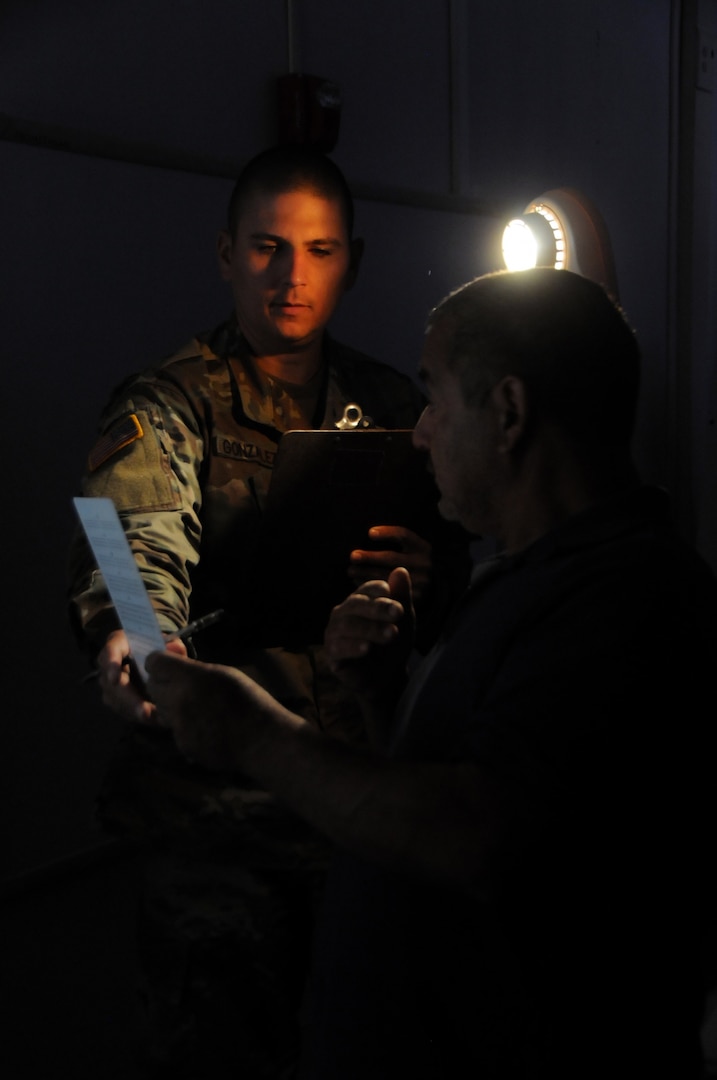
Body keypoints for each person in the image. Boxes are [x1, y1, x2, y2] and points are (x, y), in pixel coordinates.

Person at [145, 267, 717, 1080]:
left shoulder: (628, 596)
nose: (418, 434)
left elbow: (477, 835)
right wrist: (384, 701)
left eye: (437, 400)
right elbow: (488, 796)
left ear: (509, 413)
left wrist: (252, 734)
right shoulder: (526, 579)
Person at [68, 146, 468, 1078]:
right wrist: (134, 632)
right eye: (266, 248)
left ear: (352, 261)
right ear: (225, 254)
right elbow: (129, 542)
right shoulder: (172, 401)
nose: (292, 277)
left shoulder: (399, 407)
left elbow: (459, 553)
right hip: (218, 816)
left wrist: (424, 583)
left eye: (319, 249)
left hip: (361, 795)